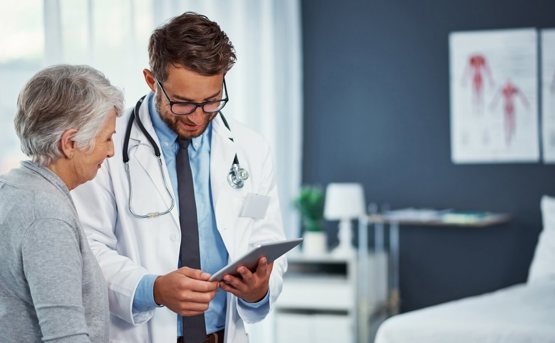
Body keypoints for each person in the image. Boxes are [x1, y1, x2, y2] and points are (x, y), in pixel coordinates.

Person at [71, 11, 287, 343]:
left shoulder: (251, 148)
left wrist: (258, 290)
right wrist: (152, 289)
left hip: (221, 334)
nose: (198, 117)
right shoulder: (106, 148)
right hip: (142, 333)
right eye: (183, 103)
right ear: (151, 80)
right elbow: (87, 249)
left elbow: (266, 240)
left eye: (212, 101)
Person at [0, 64, 124, 342]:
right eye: (106, 138)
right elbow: (65, 336)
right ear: (69, 143)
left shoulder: (13, 187)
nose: (111, 150)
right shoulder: (45, 216)